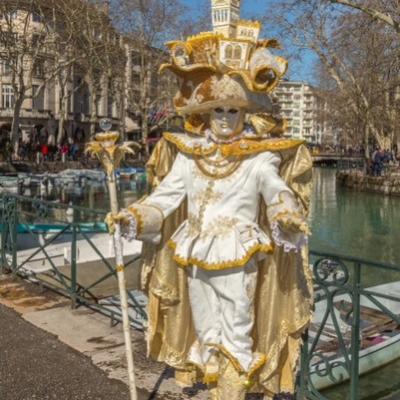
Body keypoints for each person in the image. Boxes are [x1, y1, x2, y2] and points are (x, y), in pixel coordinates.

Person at [106, 16, 313, 400]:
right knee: (206, 330)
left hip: (238, 252)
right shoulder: (189, 155)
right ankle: (216, 386)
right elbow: (164, 198)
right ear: (206, 113)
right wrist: (133, 217)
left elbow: (276, 189)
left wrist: (286, 213)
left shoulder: (257, 158)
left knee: (237, 330)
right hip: (196, 251)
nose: (224, 119)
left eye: (233, 111)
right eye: (218, 110)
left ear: (245, 113)